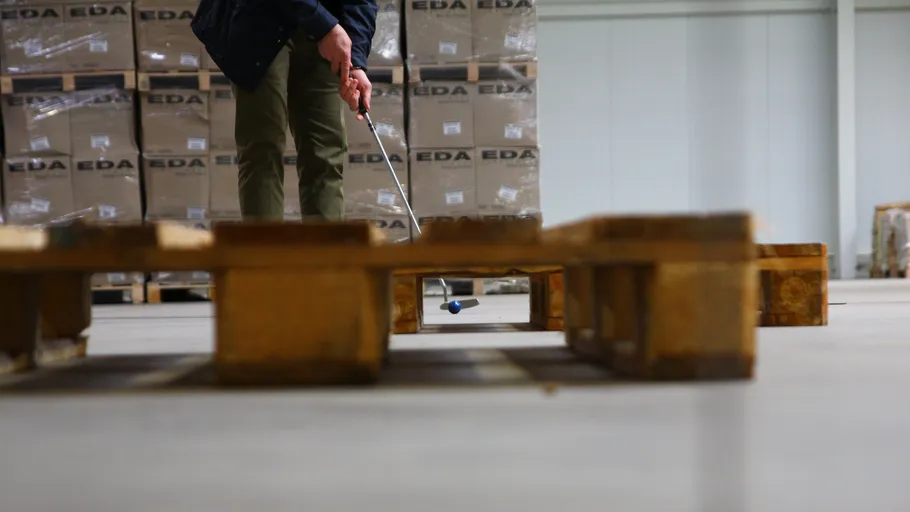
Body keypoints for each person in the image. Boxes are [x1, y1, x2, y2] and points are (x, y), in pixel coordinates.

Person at [191, 0, 379, 221]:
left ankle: (327, 251)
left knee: (325, 152)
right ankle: (267, 252)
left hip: (326, 22)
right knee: (263, 148)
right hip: (259, 18)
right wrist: (326, 26)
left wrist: (354, 60)